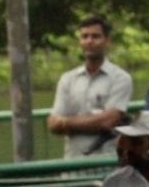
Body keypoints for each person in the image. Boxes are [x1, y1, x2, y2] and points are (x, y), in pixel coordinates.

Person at [46, 15, 133, 159]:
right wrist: (94, 120)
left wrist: (66, 122)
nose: (89, 41)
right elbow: (53, 124)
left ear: (107, 41)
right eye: (84, 36)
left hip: (105, 162)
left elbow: (108, 121)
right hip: (71, 163)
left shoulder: (120, 78)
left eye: (95, 36)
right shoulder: (67, 79)